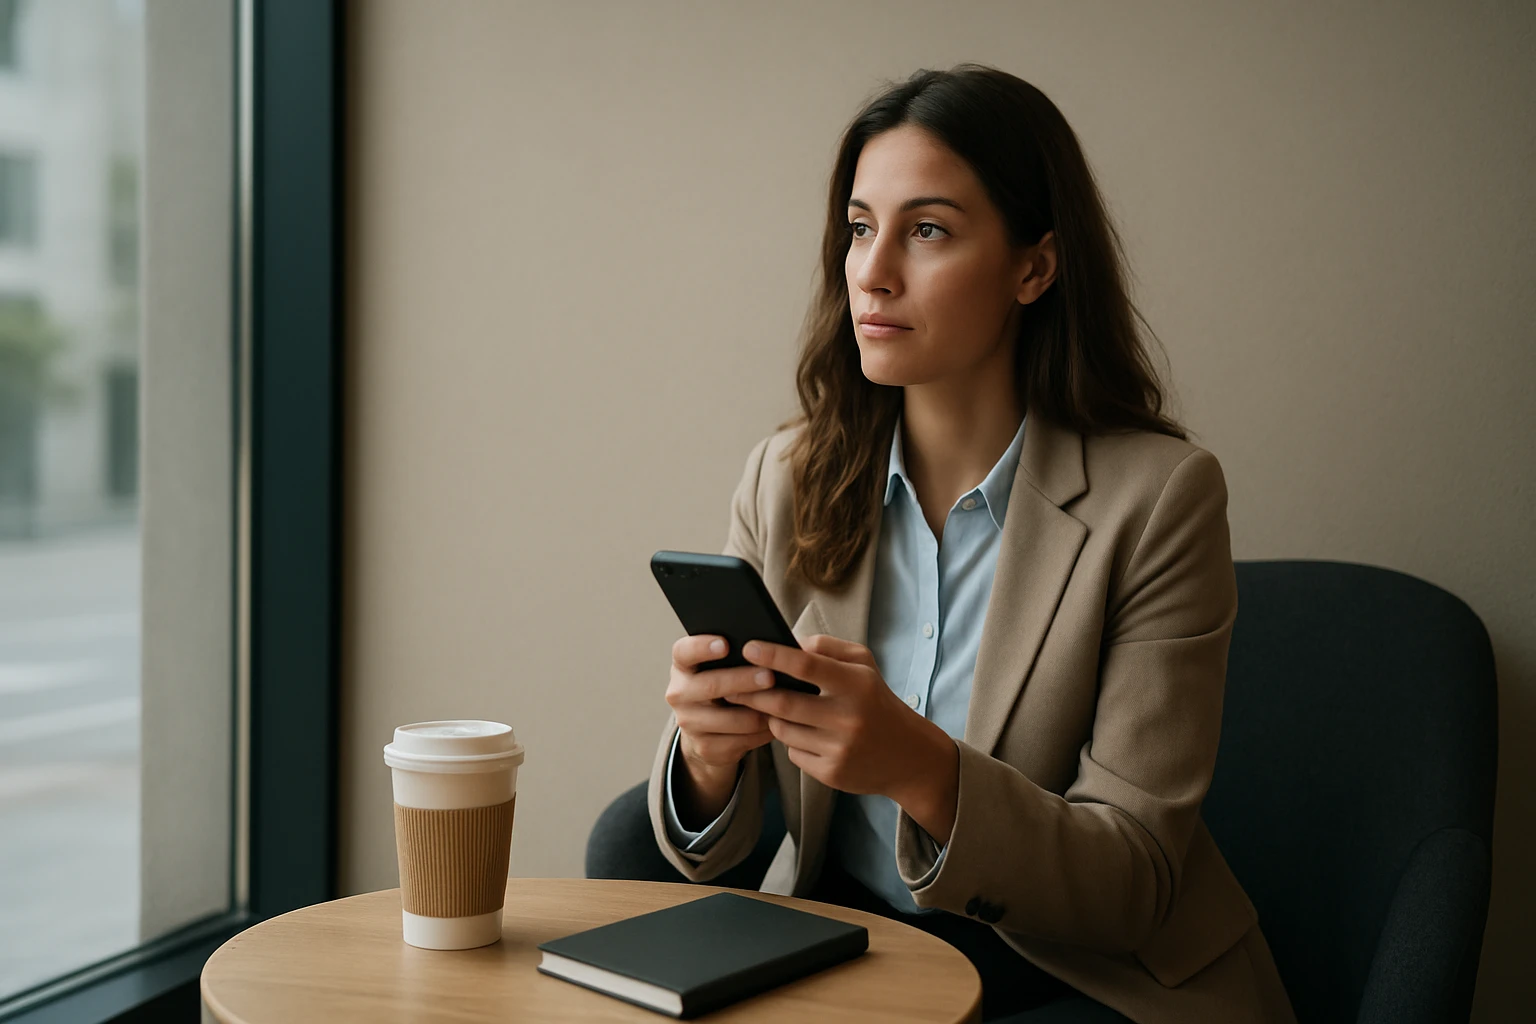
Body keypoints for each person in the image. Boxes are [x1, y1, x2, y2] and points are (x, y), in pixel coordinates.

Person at [645, 63, 1297, 1024]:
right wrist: (706, 756)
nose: (872, 269)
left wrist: (920, 768)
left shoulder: (1159, 499)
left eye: (928, 230)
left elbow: (1133, 880)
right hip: (860, 958)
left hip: (1080, 980)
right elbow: (720, 850)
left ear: (1035, 266)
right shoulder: (783, 478)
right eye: (861, 228)